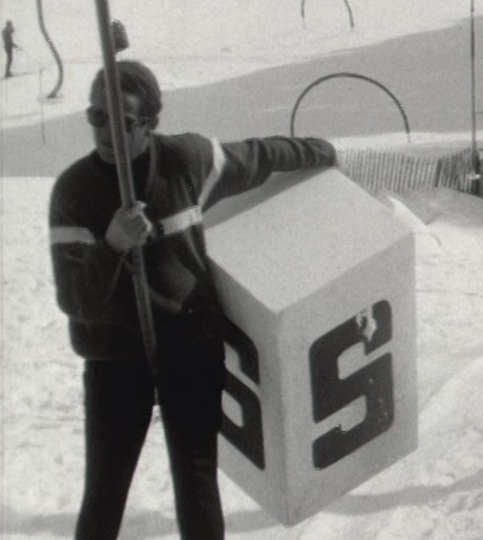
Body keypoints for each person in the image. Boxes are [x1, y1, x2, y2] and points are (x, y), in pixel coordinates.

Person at [48, 60, 338, 540]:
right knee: (105, 492)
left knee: (196, 482)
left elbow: (257, 157)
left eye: (120, 121)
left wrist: (318, 151)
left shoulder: (185, 160)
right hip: (115, 358)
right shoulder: (73, 191)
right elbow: (76, 299)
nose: (105, 132)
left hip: (189, 343)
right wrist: (113, 245)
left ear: (150, 121)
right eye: (95, 117)